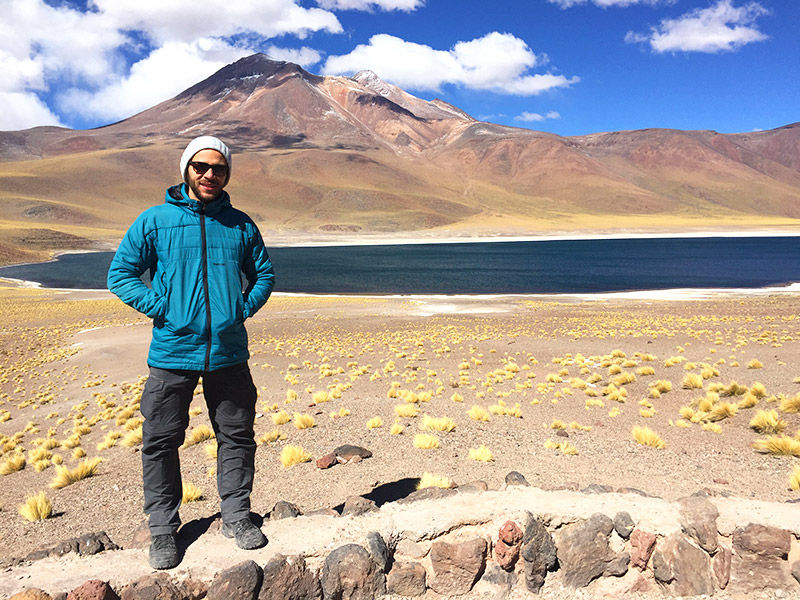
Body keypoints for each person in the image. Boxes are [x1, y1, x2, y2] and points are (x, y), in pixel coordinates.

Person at [107, 135, 275, 570]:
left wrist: (241, 307)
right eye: (201, 166)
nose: (209, 175)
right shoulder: (156, 221)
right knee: (160, 440)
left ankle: (237, 517)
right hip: (171, 352)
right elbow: (120, 274)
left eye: (218, 168)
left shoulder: (240, 224)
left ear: (227, 174)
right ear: (186, 169)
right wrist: (162, 307)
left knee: (237, 436)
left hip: (229, 353)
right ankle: (163, 530)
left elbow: (264, 274)